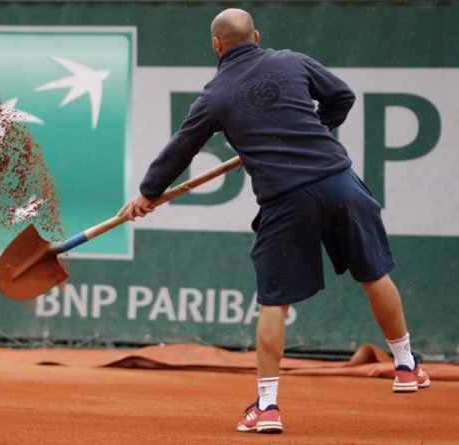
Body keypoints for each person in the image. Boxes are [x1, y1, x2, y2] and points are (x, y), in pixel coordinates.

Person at [118, 8, 430, 434]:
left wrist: (147, 194)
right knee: (374, 274)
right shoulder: (291, 60)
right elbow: (342, 96)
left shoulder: (214, 96)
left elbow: (180, 150)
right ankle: (406, 366)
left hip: (287, 201)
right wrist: (314, 132)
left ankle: (267, 407)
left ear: (216, 46)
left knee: (274, 305)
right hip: (340, 182)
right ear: (256, 36)